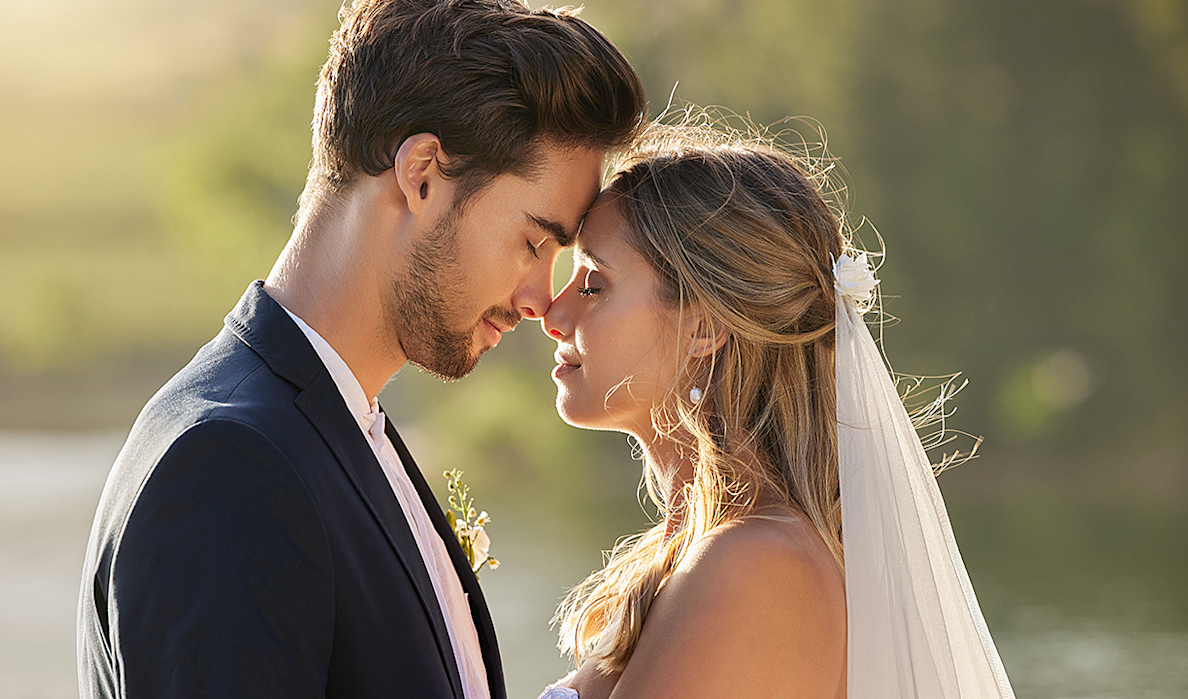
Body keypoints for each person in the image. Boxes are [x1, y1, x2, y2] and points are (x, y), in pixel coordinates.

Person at [76, 1, 645, 697]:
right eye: (533, 243)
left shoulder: (335, 430)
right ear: (424, 173)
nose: (540, 299)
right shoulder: (228, 466)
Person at [537, 123, 1015, 698]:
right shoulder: (698, 554)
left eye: (593, 283)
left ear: (704, 326)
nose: (552, 312)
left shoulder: (756, 567)